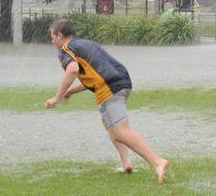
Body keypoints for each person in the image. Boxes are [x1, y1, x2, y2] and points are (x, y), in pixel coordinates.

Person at [44, 19, 169, 184]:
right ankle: (126, 164)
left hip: (110, 88)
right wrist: (69, 92)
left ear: (60, 35)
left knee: (120, 132)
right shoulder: (84, 44)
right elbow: (92, 75)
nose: (52, 41)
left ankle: (158, 162)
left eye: (52, 37)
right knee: (111, 125)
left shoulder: (66, 49)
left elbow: (72, 70)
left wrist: (57, 97)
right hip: (121, 82)